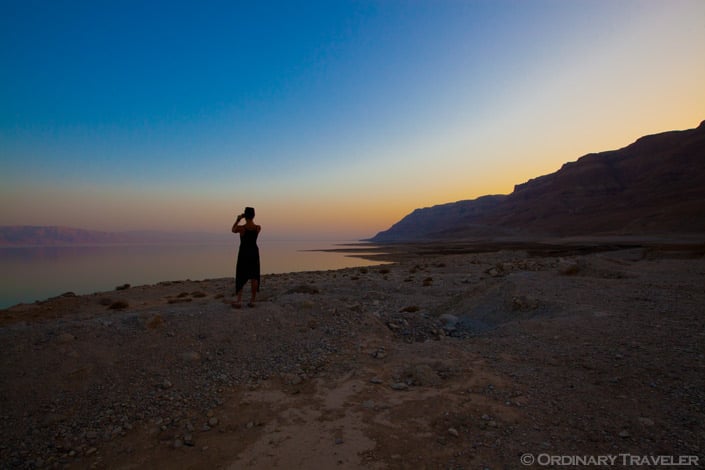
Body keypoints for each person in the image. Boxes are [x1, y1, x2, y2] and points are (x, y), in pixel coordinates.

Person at [231, 206, 261, 308]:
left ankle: (239, 301)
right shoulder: (258, 228)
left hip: (244, 252)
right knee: (254, 276)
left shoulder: (242, 228)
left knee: (240, 275)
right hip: (254, 252)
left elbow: (233, 230)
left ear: (245, 215)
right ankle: (252, 301)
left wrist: (238, 219)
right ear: (254, 215)